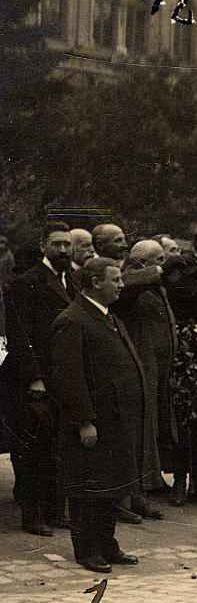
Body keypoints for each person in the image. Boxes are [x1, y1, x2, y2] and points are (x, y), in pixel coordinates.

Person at [48, 256, 147, 573]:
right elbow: (68, 378)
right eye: (115, 279)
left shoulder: (106, 316)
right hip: (93, 424)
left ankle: (107, 544)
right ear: (95, 283)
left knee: (111, 486)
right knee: (88, 489)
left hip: (115, 420)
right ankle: (87, 549)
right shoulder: (73, 320)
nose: (121, 285)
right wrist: (84, 421)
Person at [4, 224, 76, 536]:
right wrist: (34, 377)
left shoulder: (71, 279)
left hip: (63, 375)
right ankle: (32, 516)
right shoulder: (27, 282)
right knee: (35, 447)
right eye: (57, 244)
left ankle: (55, 510)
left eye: (67, 244)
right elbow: (21, 335)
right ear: (43, 246)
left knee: (59, 445)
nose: (63, 250)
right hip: (36, 380)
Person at [111, 239, 177, 520]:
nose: (163, 266)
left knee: (149, 433)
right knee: (134, 434)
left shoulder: (153, 284)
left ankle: (140, 494)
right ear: (140, 262)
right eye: (158, 259)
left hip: (158, 371)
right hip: (137, 370)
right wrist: (158, 272)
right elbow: (127, 288)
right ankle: (122, 499)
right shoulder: (126, 281)